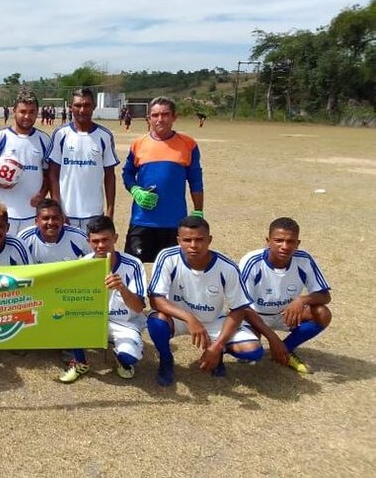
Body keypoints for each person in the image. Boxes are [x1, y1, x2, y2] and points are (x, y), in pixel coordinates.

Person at [147, 216, 264, 386]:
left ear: (209, 240)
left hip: (212, 320)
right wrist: (189, 318)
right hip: (179, 319)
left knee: (253, 351)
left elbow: (238, 309)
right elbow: (155, 299)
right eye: (187, 240)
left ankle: (219, 355)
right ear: (178, 240)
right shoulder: (167, 257)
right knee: (156, 321)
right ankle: (166, 360)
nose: (193, 245)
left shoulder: (227, 267)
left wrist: (217, 347)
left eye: (199, 240)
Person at [58, 216, 147, 383]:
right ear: (88, 241)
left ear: (115, 238)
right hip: (94, 318)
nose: (100, 245)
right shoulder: (83, 264)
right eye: (95, 241)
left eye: (105, 240)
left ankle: (120, 357)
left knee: (129, 358)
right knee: (65, 316)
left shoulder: (133, 264)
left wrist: (122, 288)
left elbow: (139, 308)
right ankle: (80, 362)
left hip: (125, 323)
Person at [239, 217, 332, 374]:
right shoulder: (252, 261)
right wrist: (273, 338)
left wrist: (302, 300)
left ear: (298, 243)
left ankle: (286, 350)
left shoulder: (304, 259)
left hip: (285, 315)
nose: (284, 246)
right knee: (250, 353)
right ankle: (269, 345)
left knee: (322, 313)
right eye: (278, 240)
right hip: (254, 317)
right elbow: (241, 306)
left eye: (290, 241)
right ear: (268, 241)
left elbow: (325, 296)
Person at [121, 96, 204, 263]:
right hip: (142, 221)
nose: (160, 119)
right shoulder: (138, 144)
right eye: (155, 115)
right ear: (148, 118)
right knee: (136, 270)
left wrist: (198, 211)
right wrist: (136, 190)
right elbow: (127, 173)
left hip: (174, 223)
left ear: (174, 117)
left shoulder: (188, 144)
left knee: (173, 273)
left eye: (165, 114)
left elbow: (195, 180)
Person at [47, 88, 119, 232]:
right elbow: (53, 175)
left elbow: (110, 176)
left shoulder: (104, 135)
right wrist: (58, 208)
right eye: (78, 105)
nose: (82, 110)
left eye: (86, 105)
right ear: (70, 107)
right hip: (66, 214)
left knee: (93, 254)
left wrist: (110, 211)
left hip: (94, 214)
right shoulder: (61, 134)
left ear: (94, 107)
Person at [0, 90, 51, 235]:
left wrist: (41, 194)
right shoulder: (0, 137)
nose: (27, 116)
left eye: (32, 112)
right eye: (22, 111)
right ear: (14, 111)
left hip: (32, 214)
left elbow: (48, 175)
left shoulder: (44, 139)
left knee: (29, 257)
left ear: (37, 112)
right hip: (4, 215)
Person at [17, 198, 90, 264]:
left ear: (62, 220)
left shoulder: (79, 236)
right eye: (46, 218)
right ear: (37, 222)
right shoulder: (24, 239)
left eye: (55, 218)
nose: (51, 223)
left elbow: (96, 259)